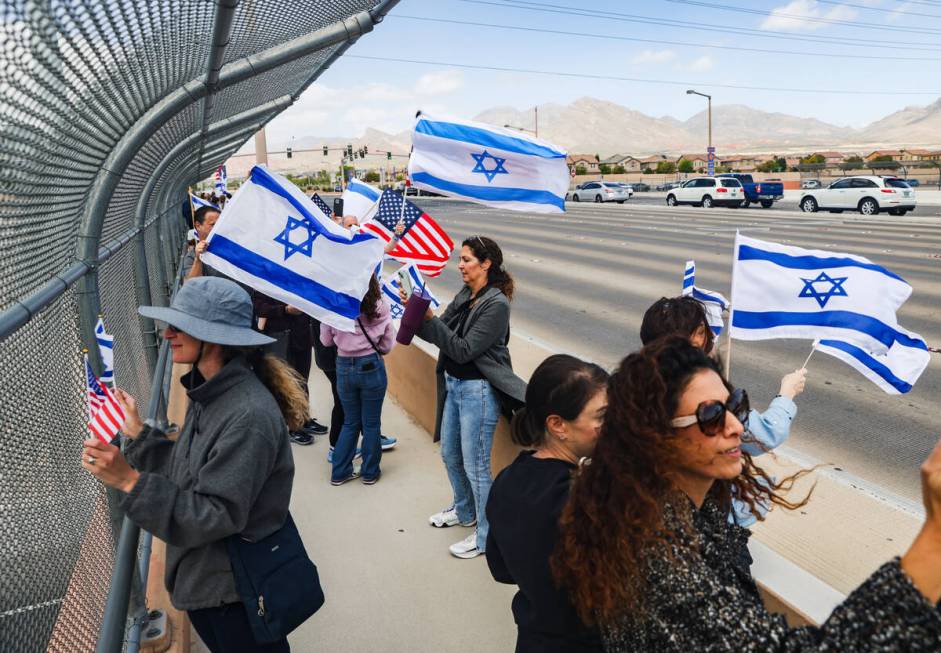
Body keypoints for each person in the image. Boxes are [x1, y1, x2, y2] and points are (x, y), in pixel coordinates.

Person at [553, 337, 941, 651]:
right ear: (654, 439)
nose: (737, 426)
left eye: (735, 405)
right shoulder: (654, 550)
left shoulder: (665, 512)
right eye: (710, 416)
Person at [81, 277, 308, 653]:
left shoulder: (246, 414)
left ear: (214, 339)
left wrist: (130, 482)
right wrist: (140, 436)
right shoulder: (214, 392)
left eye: (180, 326)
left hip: (235, 594)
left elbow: (212, 513)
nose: (167, 333)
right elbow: (191, 471)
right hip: (218, 585)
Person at [405, 235, 527, 560]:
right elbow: (441, 333)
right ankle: (464, 511)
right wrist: (418, 315)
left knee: (476, 466)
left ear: (486, 264)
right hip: (454, 385)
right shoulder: (466, 295)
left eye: (467, 260)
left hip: (479, 391)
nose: (460, 265)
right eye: (460, 259)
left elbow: (463, 350)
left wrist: (430, 320)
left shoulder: (496, 304)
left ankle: (486, 537)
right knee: (449, 453)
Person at [640, 295, 806, 525]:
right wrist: (787, 394)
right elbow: (765, 435)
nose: (735, 425)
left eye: (736, 405)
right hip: (709, 513)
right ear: (698, 335)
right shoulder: (698, 390)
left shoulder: (634, 386)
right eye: (716, 413)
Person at [486, 354, 608, 652]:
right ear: (558, 425)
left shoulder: (506, 481)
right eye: (603, 416)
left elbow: (501, 569)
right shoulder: (587, 498)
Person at [320, 275, 395, 486]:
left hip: (343, 365)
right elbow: (388, 345)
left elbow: (325, 341)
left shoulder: (333, 305)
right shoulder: (381, 307)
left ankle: (340, 472)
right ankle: (370, 473)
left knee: (350, 421)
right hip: (371, 365)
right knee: (371, 424)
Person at [252, 292, 329, 445]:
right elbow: (259, 308)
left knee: (302, 379)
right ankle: (293, 427)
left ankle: (305, 419)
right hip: (280, 337)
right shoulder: (266, 279)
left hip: (302, 336)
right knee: (285, 384)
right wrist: (285, 309)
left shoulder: (296, 277)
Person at [182, 205, 221, 281]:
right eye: (213, 224)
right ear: (198, 225)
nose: (217, 228)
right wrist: (198, 260)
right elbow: (193, 285)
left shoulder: (233, 247)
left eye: (219, 224)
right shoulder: (192, 256)